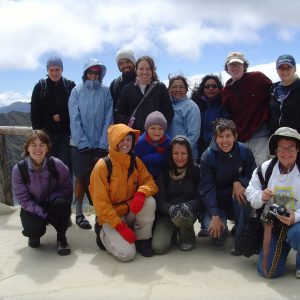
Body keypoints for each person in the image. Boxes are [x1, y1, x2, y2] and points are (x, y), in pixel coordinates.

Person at [89, 124, 158, 261]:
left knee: (149, 201)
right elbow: (101, 205)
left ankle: (142, 239)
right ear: (114, 141)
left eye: (129, 140)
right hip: (110, 217)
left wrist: (141, 193)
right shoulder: (102, 167)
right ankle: (102, 235)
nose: (125, 143)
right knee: (127, 254)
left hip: (128, 210)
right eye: (121, 139)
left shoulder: (136, 162)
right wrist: (119, 227)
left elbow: (150, 183)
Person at [245, 127, 300, 279]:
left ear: (298, 149)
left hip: (297, 223)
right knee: (268, 271)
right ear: (275, 149)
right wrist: (261, 196)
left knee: (297, 233)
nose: (286, 153)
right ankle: (283, 246)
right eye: (282, 148)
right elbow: (250, 191)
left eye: (290, 148)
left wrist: (294, 217)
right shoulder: (265, 168)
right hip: (272, 224)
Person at [199, 118, 256, 254]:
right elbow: (206, 188)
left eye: (228, 136)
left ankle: (240, 239)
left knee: (244, 196)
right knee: (217, 237)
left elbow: (254, 176)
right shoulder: (208, 156)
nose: (225, 141)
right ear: (215, 137)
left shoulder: (245, 151)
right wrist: (215, 214)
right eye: (221, 136)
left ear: (235, 136)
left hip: (234, 198)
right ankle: (216, 224)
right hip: (216, 202)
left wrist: (239, 182)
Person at [11, 130, 73, 255]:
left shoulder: (56, 165)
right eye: (34, 145)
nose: (38, 149)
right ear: (27, 147)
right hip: (32, 207)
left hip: (52, 203)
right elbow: (23, 199)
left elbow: (67, 188)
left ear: (47, 148)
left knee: (62, 205)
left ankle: (61, 238)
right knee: (34, 233)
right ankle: (34, 234)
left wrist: (51, 198)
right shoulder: (19, 170)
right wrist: (41, 212)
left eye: (41, 145)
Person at [68, 58, 113, 229]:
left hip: (100, 145)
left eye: (96, 73)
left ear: (100, 74)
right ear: (85, 73)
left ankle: (99, 214)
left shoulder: (106, 92)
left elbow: (109, 118)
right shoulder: (76, 91)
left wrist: (104, 143)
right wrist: (82, 142)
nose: (93, 75)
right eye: (90, 72)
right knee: (80, 177)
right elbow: (75, 118)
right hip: (79, 145)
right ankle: (79, 214)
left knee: (101, 180)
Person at [222, 51, 272, 166]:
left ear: (244, 66)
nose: (235, 68)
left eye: (238, 64)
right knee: (244, 171)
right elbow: (229, 115)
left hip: (261, 135)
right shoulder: (226, 91)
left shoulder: (258, 78)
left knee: (261, 169)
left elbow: (275, 94)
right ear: (227, 68)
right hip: (241, 139)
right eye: (232, 65)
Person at [151, 136, 201, 254]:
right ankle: (173, 232)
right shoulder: (164, 171)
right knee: (158, 248)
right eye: (176, 153)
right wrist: (170, 209)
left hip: (187, 212)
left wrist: (188, 206)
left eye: (183, 153)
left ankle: (187, 238)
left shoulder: (196, 170)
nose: (179, 157)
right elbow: (160, 199)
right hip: (167, 214)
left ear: (189, 153)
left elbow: (200, 198)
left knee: (182, 216)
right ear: (170, 154)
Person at [30, 56, 75, 174]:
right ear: (47, 70)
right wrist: (39, 137)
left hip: (66, 136)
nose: (54, 73)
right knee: (47, 169)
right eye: (51, 70)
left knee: (65, 169)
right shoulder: (40, 87)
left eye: (57, 69)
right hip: (47, 137)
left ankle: (65, 192)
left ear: (62, 70)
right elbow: (35, 114)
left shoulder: (70, 86)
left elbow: (76, 110)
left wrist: (62, 116)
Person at [114, 55, 174, 132]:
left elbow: (169, 112)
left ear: (152, 70)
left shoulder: (160, 88)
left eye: (148, 69)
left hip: (155, 135)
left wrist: (158, 125)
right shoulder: (128, 88)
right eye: (141, 69)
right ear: (136, 70)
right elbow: (118, 113)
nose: (144, 72)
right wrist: (128, 120)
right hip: (134, 135)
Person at [191, 74, 228, 156]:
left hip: (218, 146)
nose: (211, 89)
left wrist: (210, 138)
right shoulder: (195, 104)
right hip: (198, 146)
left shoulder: (224, 104)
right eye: (207, 86)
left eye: (214, 86)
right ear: (202, 88)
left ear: (219, 88)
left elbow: (226, 125)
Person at [167, 75, 201, 161]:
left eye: (181, 87)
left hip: (186, 156)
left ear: (186, 89)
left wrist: (180, 153)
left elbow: (193, 135)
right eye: (174, 87)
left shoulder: (191, 107)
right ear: (169, 89)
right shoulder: (166, 104)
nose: (178, 90)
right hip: (169, 154)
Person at [134, 111, 171, 180]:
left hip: (162, 175)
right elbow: (136, 161)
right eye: (153, 128)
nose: (157, 132)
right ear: (147, 129)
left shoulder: (167, 141)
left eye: (160, 128)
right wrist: (151, 158)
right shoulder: (140, 142)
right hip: (143, 175)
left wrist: (160, 158)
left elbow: (169, 159)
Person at [269, 54, 300, 134]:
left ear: (295, 69)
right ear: (277, 70)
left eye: (289, 67)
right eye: (281, 68)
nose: (285, 71)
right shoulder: (272, 88)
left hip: (297, 140)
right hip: (277, 139)